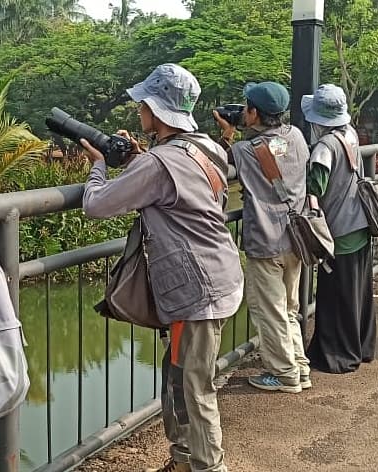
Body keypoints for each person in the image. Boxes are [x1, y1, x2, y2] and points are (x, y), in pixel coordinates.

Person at [80, 63, 244, 472]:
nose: (139, 113)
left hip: (197, 291)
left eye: (143, 107)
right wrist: (142, 156)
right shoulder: (207, 146)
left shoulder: (158, 164)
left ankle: (209, 466)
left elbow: (97, 205)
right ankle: (185, 459)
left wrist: (98, 167)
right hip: (217, 276)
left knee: (193, 387)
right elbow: (179, 180)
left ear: (155, 111)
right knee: (180, 377)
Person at [214, 82, 311, 393]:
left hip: (266, 243)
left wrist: (228, 134)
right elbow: (275, 150)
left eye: (245, 107)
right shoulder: (295, 137)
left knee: (269, 311)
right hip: (296, 238)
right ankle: (299, 367)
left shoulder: (244, 150)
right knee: (288, 307)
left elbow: (216, 167)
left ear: (253, 113)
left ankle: (284, 375)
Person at [301, 84, 375, 374]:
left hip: (340, 230)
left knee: (336, 294)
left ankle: (339, 355)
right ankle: (361, 345)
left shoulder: (324, 147)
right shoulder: (350, 135)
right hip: (359, 223)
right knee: (358, 291)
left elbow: (315, 188)